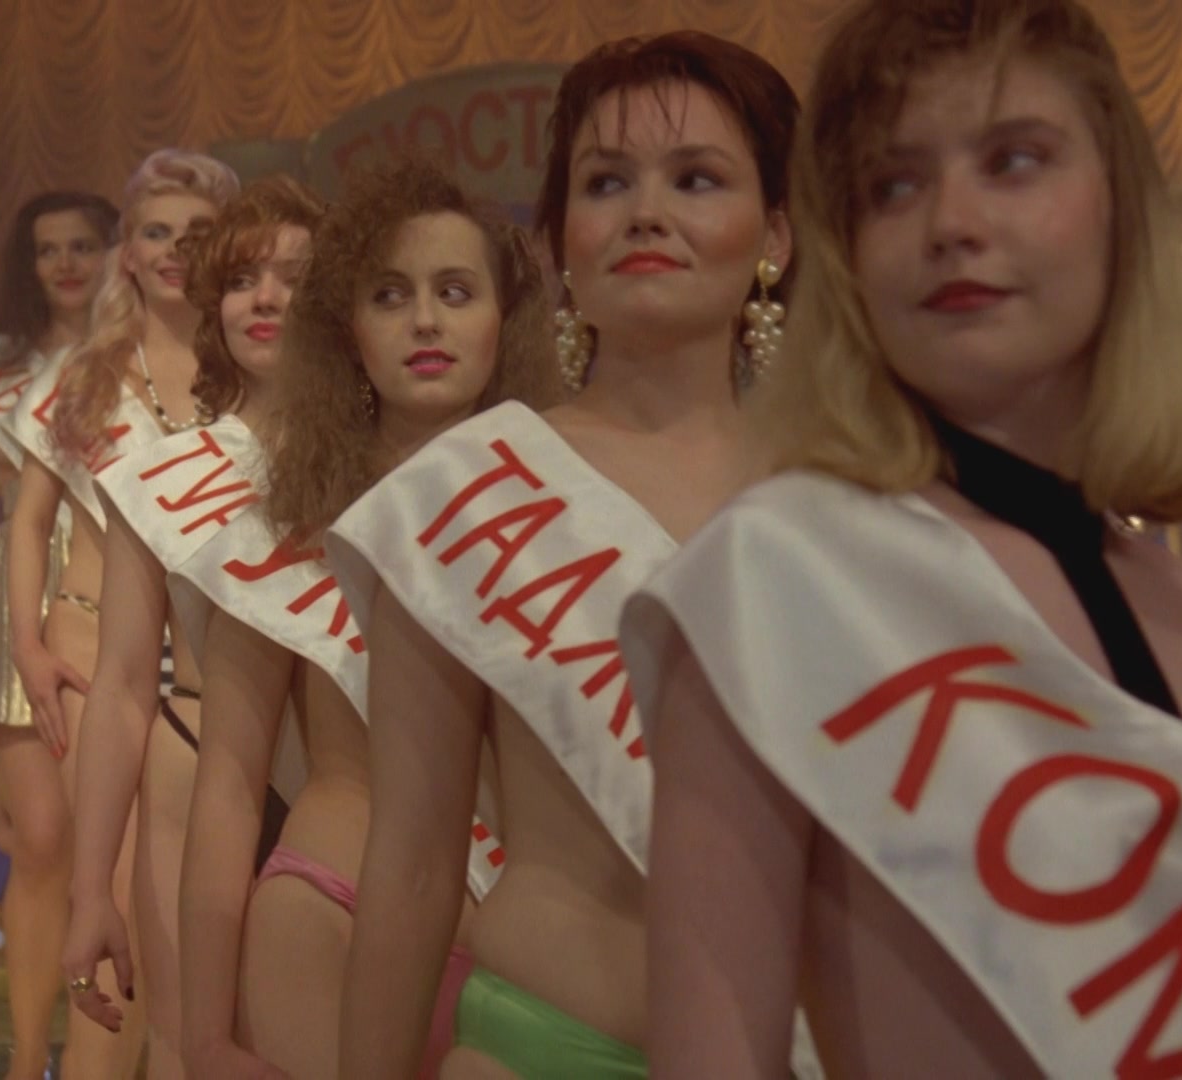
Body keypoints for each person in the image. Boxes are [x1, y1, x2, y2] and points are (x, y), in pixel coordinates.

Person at [618, 2, 1182, 1076]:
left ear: (1120, 206)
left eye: (1014, 161)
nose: (950, 220)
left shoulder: (1180, 598)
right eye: (892, 185)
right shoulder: (779, 577)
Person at [329, 32, 803, 1079]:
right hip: (540, 1050)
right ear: (556, 241)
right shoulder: (464, 493)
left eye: (696, 178)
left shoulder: (853, 499)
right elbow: (413, 866)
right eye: (606, 181)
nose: (646, 211)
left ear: (774, 232)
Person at [175, 156, 559, 1080]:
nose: (424, 320)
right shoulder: (286, 524)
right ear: (348, 328)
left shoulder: (563, 519)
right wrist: (204, 1035)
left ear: (503, 320)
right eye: (390, 295)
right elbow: (228, 787)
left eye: (454, 292)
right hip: (327, 922)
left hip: (526, 968)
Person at [60, 175, 320, 1080]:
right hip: (191, 769)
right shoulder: (163, 478)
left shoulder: (390, 473)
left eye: (295, 278)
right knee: (186, 1055)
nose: (266, 299)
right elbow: (122, 690)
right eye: (244, 280)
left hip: (339, 794)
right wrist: (90, 890)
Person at [7, 148, 238, 1079]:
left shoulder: (253, 370)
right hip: (94, 651)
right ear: (129, 254)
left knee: (188, 916)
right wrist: (26, 648)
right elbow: (27, 524)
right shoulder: (88, 375)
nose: (177, 249)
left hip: (217, 667)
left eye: (199, 233)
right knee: (115, 902)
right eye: (157, 233)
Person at [0, 188, 116, 1080]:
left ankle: (103, 1048)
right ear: (28, 263)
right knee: (42, 836)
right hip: (16, 581)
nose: (67, 263)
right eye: (49, 249)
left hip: (113, 574)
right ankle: (22, 1054)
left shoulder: (135, 355)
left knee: (108, 841)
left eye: (84, 245)